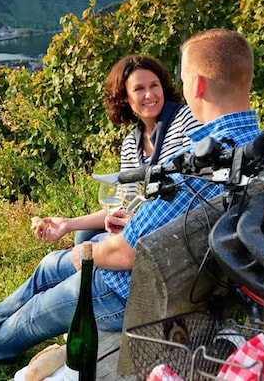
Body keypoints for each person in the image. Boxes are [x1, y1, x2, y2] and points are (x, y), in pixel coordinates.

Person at [0, 28, 261, 361]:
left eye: (184, 79)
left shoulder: (202, 162)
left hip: (139, 291)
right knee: (50, 267)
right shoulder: (259, 149)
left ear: (198, 85)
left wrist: (87, 250)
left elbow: (126, 254)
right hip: (178, 274)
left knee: (39, 309)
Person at [32, 54, 201, 245]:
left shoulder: (185, 119)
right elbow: (125, 204)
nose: (149, 94)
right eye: (139, 89)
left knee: (56, 264)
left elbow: (195, 186)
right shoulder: (130, 144)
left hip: (171, 227)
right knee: (82, 236)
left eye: (154, 85)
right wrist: (69, 224)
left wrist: (136, 223)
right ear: (124, 98)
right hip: (141, 225)